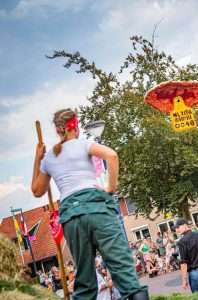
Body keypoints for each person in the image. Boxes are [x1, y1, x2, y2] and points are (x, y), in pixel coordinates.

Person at [31, 108, 148, 300]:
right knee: (123, 271)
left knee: (85, 281)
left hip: (71, 216)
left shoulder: (50, 157)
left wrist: (38, 157)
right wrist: (110, 187)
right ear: (75, 127)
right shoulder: (84, 144)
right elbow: (112, 156)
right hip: (98, 208)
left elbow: (37, 191)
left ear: (58, 131)